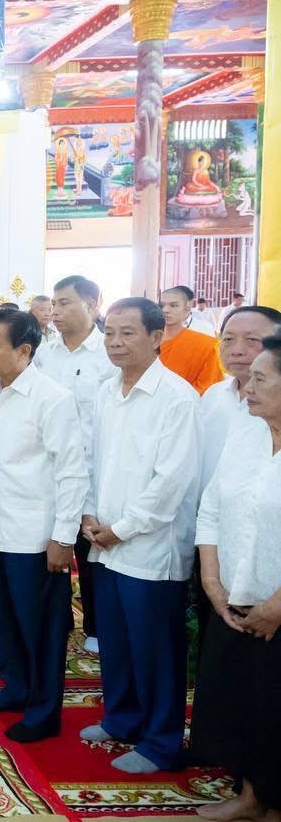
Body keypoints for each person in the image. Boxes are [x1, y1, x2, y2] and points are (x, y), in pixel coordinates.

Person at [80, 297, 199, 774]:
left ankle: (161, 743)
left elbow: (172, 482)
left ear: (156, 336)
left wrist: (122, 529)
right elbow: (93, 460)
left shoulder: (177, 398)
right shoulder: (106, 391)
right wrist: (90, 516)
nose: (115, 342)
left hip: (150, 549)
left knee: (156, 650)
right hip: (105, 543)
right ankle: (122, 718)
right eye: (110, 332)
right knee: (116, 640)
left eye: (127, 333)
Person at [0, 309, 87, 743]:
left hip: (35, 535)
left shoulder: (51, 398)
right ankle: (16, 687)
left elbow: (71, 471)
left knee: (41, 627)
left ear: (24, 350)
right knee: (5, 619)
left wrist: (63, 536)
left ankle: (43, 711)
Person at [190, 335, 281, 822]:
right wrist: (213, 583)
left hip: (276, 607)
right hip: (235, 599)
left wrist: (277, 606)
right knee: (246, 701)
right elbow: (212, 507)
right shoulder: (247, 434)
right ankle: (250, 796)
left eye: (261, 379)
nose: (247, 388)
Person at [35, 275, 116, 655]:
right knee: (50, 547)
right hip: (49, 471)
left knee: (92, 551)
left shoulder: (108, 355)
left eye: (65, 302)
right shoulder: (44, 354)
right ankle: (58, 621)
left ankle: (97, 626)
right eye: (54, 303)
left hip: (94, 469)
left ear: (93, 304)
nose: (56, 311)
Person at [196, 305, 281, 492]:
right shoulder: (213, 395)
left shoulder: (275, 407)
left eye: (252, 340)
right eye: (228, 339)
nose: (237, 350)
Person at [160, 285, 222, 395]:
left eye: (173, 305)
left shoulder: (205, 337)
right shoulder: (149, 338)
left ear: (187, 307)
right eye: (161, 305)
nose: (165, 310)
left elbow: (208, 384)